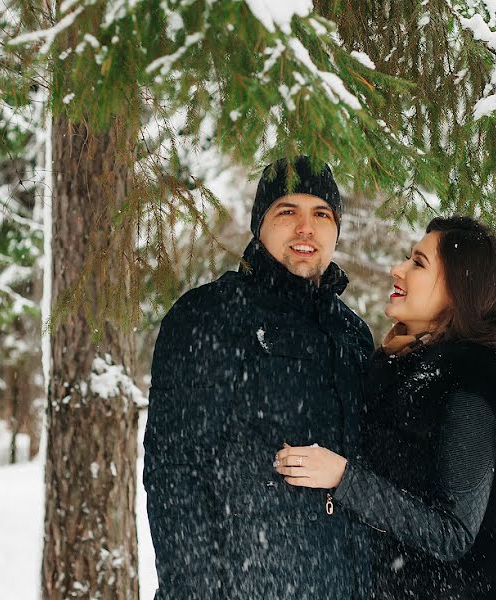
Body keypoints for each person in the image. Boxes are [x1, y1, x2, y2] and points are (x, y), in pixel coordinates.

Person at [274, 216, 496, 599]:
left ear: (458, 290)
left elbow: (452, 533)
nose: (396, 269)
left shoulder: (469, 388)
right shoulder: (405, 368)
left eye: (418, 263)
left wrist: (343, 477)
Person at [144, 156, 374, 599]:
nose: (306, 228)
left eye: (321, 214)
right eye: (288, 211)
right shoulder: (207, 317)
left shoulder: (352, 333)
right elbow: (174, 474)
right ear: (259, 224)